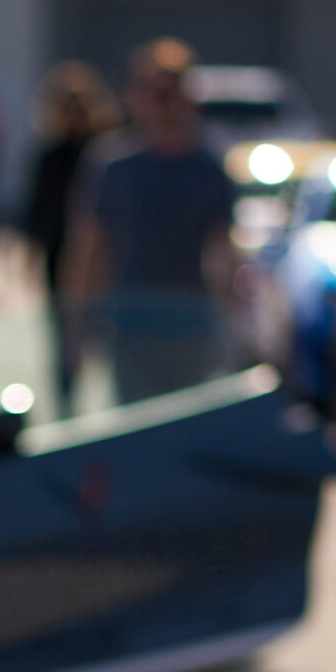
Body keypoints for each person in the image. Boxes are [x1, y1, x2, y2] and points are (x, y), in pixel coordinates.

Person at [63, 38, 236, 404]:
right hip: (130, 323)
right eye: (152, 92)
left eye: (170, 92)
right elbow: (90, 247)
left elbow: (222, 250)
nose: (162, 104)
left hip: (191, 324)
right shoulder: (113, 166)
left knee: (189, 421)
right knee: (137, 423)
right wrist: (77, 326)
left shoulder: (208, 166)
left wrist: (231, 320)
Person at [22, 62, 120, 395]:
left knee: (106, 336)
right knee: (64, 335)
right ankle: (66, 393)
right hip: (59, 254)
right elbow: (37, 210)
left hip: (102, 259)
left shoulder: (106, 153)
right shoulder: (49, 156)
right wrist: (30, 256)